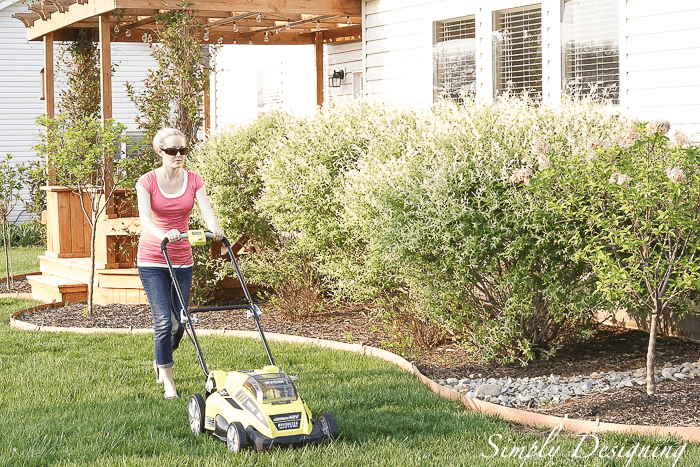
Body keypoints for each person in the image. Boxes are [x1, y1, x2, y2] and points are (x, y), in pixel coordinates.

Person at [136, 128, 224, 400]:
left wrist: (216, 230)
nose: (179, 156)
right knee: (163, 321)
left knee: (179, 323)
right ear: (160, 152)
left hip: (182, 259)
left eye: (183, 151)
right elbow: (145, 220)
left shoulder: (194, 180)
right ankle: (168, 381)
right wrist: (165, 234)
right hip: (153, 258)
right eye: (173, 151)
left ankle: (160, 358)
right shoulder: (147, 182)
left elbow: (206, 210)